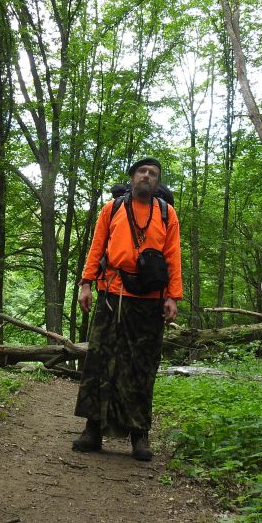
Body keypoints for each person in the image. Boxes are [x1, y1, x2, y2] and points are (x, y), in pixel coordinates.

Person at [72, 157, 183, 461]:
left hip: (150, 301)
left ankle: (140, 435)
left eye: (153, 174)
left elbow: (173, 255)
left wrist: (173, 296)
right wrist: (86, 283)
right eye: (142, 172)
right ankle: (92, 430)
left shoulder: (166, 213)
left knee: (142, 368)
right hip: (111, 294)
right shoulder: (113, 209)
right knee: (100, 361)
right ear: (132, 177)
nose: (147, 176)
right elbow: (97, 246)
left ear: (157, 182)